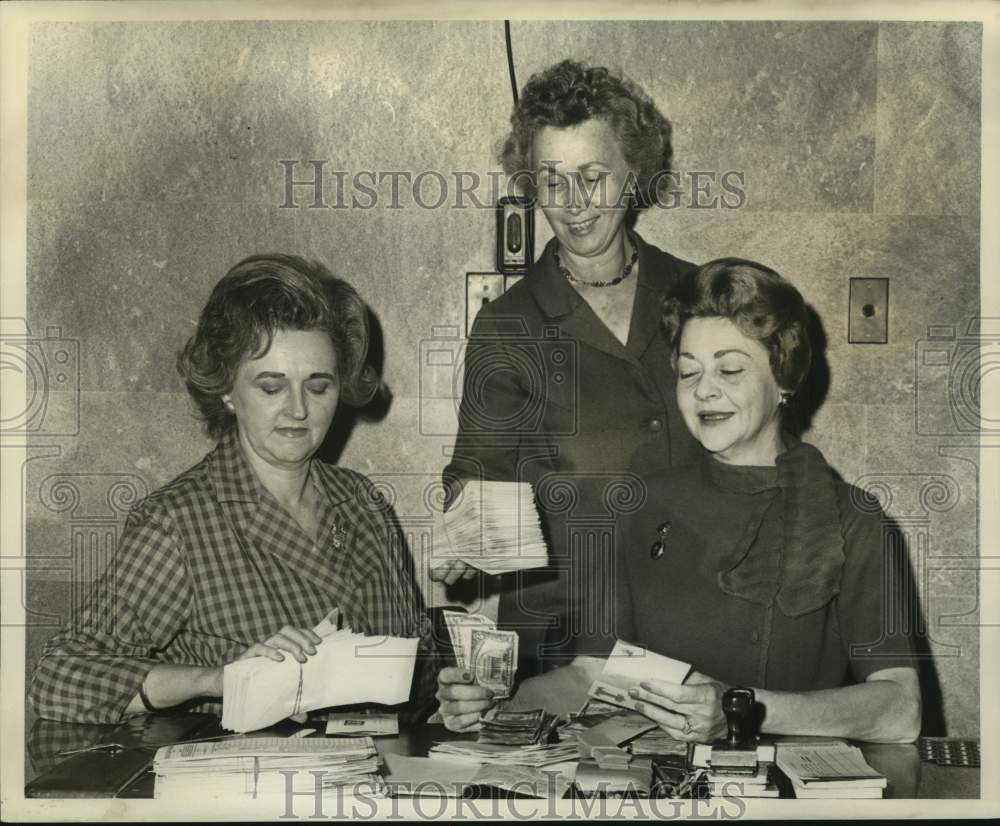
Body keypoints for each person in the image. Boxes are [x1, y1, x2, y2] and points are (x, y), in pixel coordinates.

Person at [29, 254, 437, 724]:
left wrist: (448, 691)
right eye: (271, 387)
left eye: (319, 387)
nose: (298, 410)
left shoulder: (365, 503)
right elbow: (58, 678)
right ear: (227, 389)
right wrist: (217, 679)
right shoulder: (178, 522)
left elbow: (415, 673)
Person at [434, 60, 701, 721]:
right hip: (564, 648)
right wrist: (463, 546)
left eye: (592, 177)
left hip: (698, 634)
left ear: (633, 173)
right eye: (553, 181)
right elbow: (480, 478)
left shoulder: (699, 295)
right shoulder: (509, 325)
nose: (575, 206)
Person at [614, 258, 921, 743]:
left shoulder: (853, 518)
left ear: (784, 379)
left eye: (730, 369)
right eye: (688, 373)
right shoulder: (643, 503)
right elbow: (595, 670)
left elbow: (901, 709)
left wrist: (742, 708)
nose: (705, 391)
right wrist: (497, 700)